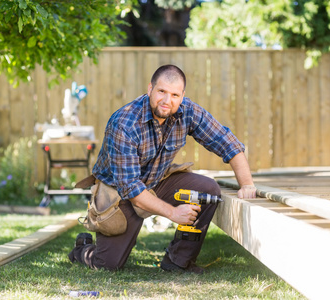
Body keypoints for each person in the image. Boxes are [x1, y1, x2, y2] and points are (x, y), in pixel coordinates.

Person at [68, 64, 256, 273]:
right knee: (108, 264)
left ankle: (178, 260)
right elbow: (131, 188)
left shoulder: (188, 112)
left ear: (182, 96)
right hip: (119, 194)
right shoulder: (124, 123)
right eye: (162, 92)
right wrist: (173, 213)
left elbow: (227, 142)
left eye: (175, 94)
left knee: (208, 190)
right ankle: (82, 249)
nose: (167, 101)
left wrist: (246, 184)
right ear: (150, 89)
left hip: (156, 182)